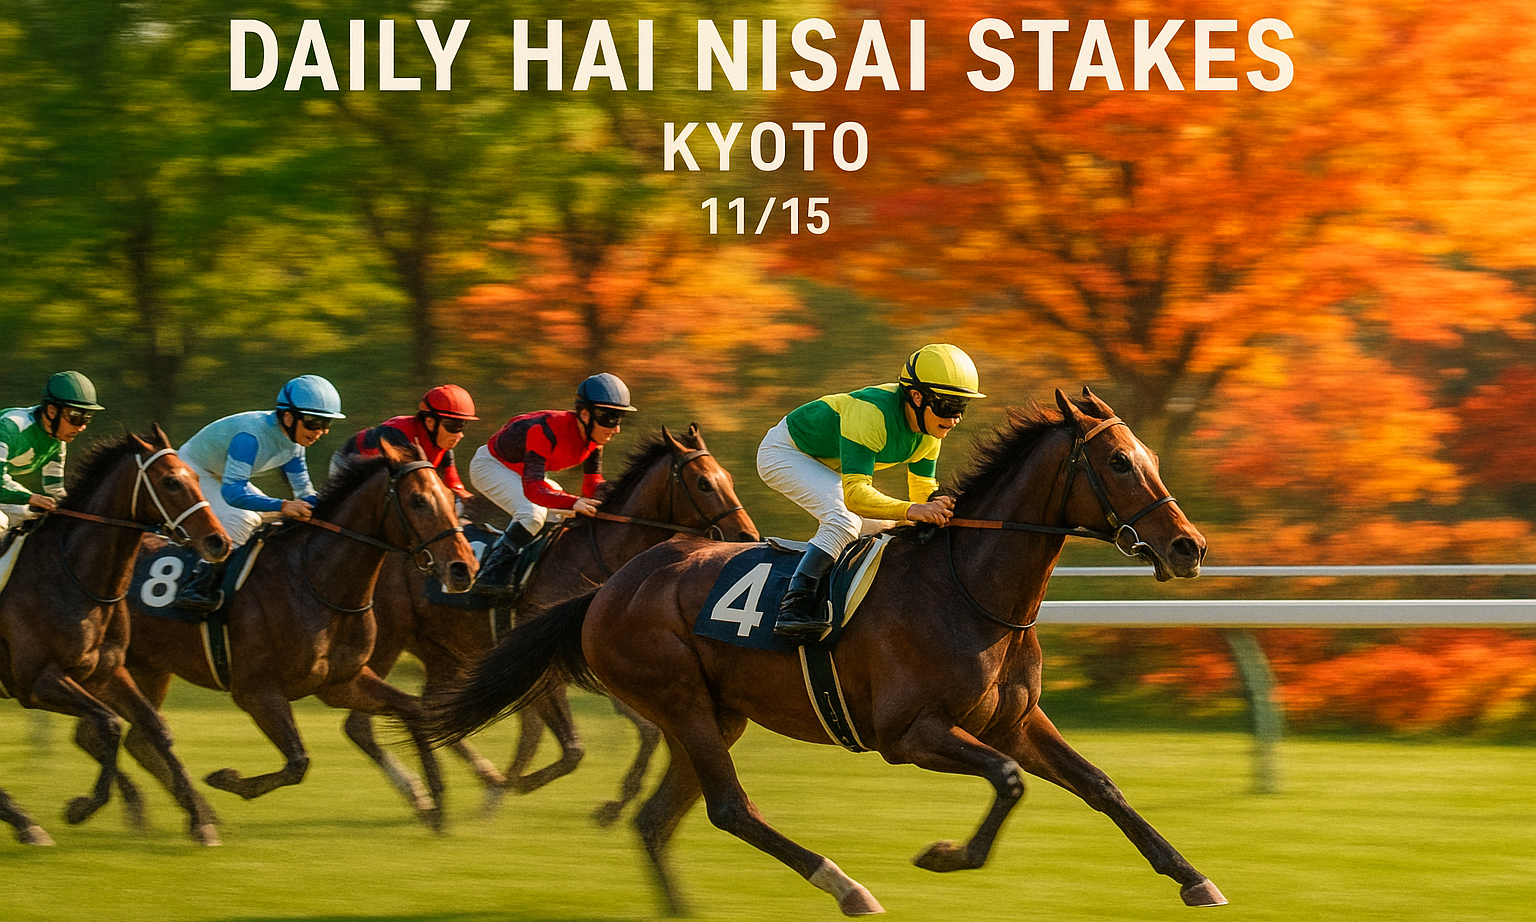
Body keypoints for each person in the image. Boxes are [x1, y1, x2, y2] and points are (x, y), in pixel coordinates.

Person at [757, 344, 986, 643]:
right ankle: (793, 607)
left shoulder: (929, 432)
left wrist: (935, 504)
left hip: (825, 464)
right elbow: (855, 496)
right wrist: (912, 509)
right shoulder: (871, 413)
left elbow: (922, 490)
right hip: (784, 452)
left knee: (889, 525)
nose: (955, 418)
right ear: (917, 397)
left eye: (961, 407)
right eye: (948, 406)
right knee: (844, 520)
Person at [174, 374, 345, 610]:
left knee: (270, 518)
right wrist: (284, 505)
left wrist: (331, 514)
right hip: (193, 469)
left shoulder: (294, 443)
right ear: (288, 417)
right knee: (243, 519)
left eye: (326, 424)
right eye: (313, 422)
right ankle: (197, 585)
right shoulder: (250, 437)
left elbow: (304, 491)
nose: (320, 431)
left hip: (221, 474)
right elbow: (233, 493)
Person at [468, 373, 636, 598]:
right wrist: (574, 502)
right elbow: (534, 490)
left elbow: (592, 485)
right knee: (533, 514)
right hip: (489, 466)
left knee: (563, 515)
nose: (616, 429)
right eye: (609, 418)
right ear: (585, 415)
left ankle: (530, 573)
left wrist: (616, 501)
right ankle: (489, 575)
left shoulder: (594, 440)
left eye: (619, 419)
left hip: (523, 472)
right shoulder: (544, 430)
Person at [331, 384, 477, 505]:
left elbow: (453, 483)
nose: (460, 435)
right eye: (454, 426)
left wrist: (466, 497)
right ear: (430, 422)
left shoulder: (443, 446)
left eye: (462, 427)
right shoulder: (397, 436)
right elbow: (377, 477)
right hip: (350, 463)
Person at [0, 371, 104, 533]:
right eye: (75, 417)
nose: (82, 427)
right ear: (52, 411)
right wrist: (29, 498)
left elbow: (54, 489)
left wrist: (80, 511)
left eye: (86, 418)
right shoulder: (10, 429)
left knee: (34, 515)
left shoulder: (57, 441)